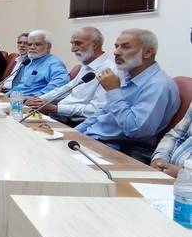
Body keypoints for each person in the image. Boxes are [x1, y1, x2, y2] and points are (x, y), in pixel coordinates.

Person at [76, 29, 180, 162]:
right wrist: (74, 132)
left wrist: (113, 91)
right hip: (92, 141)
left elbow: (135, 130)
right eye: (116, 46)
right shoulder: (127, 75)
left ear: (148, 52)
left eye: (125, 47)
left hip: (118, 152)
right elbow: (103, 112)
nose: (116, 52)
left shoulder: (159, 85)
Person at [25, 27, 115, 125]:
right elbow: (67, 89)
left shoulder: (109, 71)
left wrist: (56, 109)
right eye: (72, 44)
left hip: (76, 121)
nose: (73, 49)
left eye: (78, 43)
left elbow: (96, 110)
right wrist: (39, 100)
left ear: (95, 45)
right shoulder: (87, 65)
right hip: (59, 113)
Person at [11, 30, 68, 96]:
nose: (32, 47)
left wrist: (37, 97)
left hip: (32, 100)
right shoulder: (29, 62)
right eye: (29, 44)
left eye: (37, 44)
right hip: (17, 98)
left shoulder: (54, 63)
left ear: (48, 46)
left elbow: (60, 84)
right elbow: (23, 85)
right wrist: (9, 94)